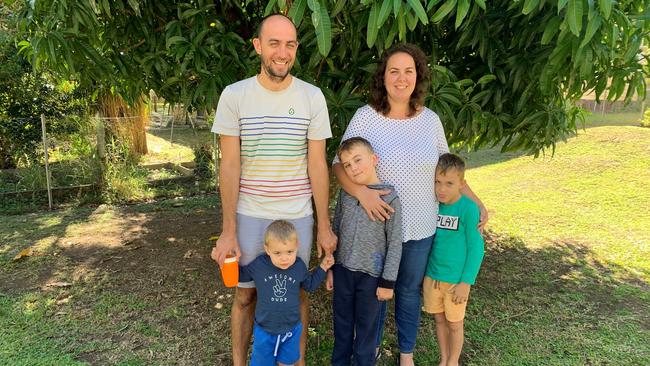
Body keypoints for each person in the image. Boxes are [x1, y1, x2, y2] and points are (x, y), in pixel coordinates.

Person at [332, 43, 488, 366]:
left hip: (420, 227)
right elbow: (338, 165)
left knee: (406, 292)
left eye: (409, 71)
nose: (401, 78)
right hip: (377, 228)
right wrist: (362, 194)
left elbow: (449, 170)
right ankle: (370, 350)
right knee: (376, 295)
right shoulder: (365, 117)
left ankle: (406, 356)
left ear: (418, 77)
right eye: (394, 71)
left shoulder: (430, 120)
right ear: (383, 77)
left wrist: (477, 202)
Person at [210, 14, 337, 366]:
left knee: (296, 295)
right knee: (246, 296)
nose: (283, 52)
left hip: (298, 215)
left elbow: (317, 165)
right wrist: (228, 229)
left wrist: (324, 225)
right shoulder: (235, 95)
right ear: (258, 46)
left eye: (290, 44)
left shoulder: (312, 97)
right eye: (274, 43)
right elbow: (230, 165)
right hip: (250, 213)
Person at [327, 137, 402, 366]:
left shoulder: (390, 197)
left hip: (371, 278)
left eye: (357, 160)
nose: (353, 168)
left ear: (373, 159)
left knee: (366, 334)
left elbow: (395, 243)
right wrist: (329, 267)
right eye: (347, 165)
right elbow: (336, 229)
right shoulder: (345, 194)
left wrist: (387, 282)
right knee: (342, 328)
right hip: (342, 272)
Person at [240, 220, 335, 366]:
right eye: (277, 253)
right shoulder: (259, 265)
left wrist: (323, 267)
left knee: (288, 363)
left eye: (289, 252)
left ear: (297, 246)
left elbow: (309, 286)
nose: (284, 258)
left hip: (291, 330)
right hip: (264, 330)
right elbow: (240, 276)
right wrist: (224, 262)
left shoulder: (298, 266)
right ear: (267, 249)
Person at [422, 153, 484, 366]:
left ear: (462, 184)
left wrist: (466, 282)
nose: (441, 189)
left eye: (449, 183)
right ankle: (444, 359)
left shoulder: (467, 208)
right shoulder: (433, 204)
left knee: (455, 324)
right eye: (438, 182)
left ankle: (453, 362)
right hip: (433, 276)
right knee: (439, 319)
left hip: (456, 281)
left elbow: (476, 247)